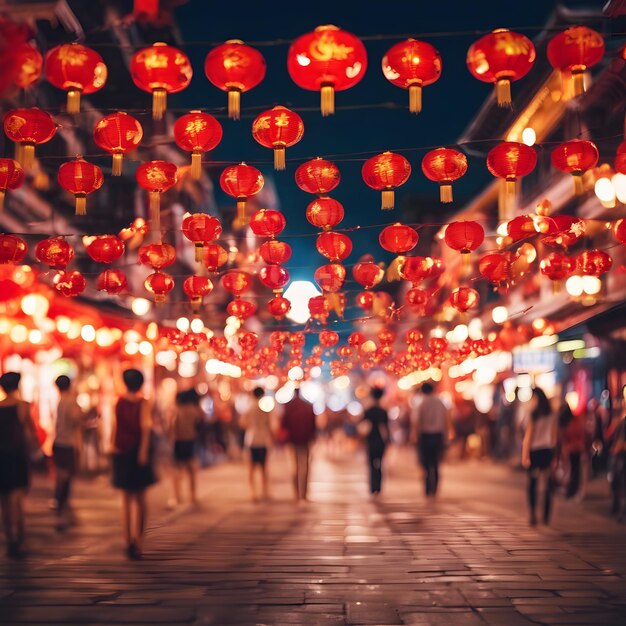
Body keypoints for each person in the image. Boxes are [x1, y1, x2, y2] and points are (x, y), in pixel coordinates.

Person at [110, 369, 155, 559]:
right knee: (140, 498)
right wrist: (144, 451)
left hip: (121, 450)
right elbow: (146, 428)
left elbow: (115, 425)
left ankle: (127, 539)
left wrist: (112, 444)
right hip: (136, 451)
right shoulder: (143, 403)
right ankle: (139, 541)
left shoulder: (118, 402)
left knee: (125, 499)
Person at [0, 372, 37, 557]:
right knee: (18, 500)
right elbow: (30, 432)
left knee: (4, 501)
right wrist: (36, 452)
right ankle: (20, 537)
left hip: (1, 458)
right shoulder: (22, 406)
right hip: (16, 456)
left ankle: (9, 538)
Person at [522, 387, 558, 526]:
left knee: (533, 483)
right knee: (548, 484)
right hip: (547, 450)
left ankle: (533, 514)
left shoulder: (534, 414)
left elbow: (528, 437)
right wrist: (555, 454)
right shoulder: (551, 413)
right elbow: (554, 436)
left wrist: (525, 456)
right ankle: (546, 515)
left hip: (535, 451)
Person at [52, 375, 82, 526]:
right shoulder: (70, 401)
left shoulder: (60, 401)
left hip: (58, 442)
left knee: (61, 473)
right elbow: (76, 419)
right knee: (66, 474)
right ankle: (61, 499)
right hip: (68, 443)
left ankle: (59, 499)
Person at [412, 382, 449, 497]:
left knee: (426, 463)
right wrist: (447, 435)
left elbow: (417, 421)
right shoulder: (440, 402)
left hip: (425, 435)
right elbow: (446, 418)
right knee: (436, 462)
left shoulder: (420, 403)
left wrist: (415, 435)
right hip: (438, 434)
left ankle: (428, 488)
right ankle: (435, 488)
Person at [281, 387, 316, 501]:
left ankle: (296, 493)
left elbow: (284, 423)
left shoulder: (288, 406)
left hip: (293, 439)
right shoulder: (308, 406)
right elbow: (313, 424)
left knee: (295, 467)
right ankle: (304, 493)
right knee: (305, 467)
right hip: (305, 439)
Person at [170, 388, 203, 506]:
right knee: (191, 469)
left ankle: (177, 496)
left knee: (177, 470)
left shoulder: (177, 411)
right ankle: (192, 495)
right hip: (191, 441)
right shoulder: (194, 410)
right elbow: (199, 424)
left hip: (179, 441)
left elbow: (172, 426)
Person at [241, 387, 273, 501]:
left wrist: (250, 426)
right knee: (263, 467)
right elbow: (269, 423)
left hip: (251, 439)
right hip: (263, 439)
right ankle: (265, 491)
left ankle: (253, 493)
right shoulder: (265, 407)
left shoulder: (250, 407)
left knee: (251, 467)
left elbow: (242, 421)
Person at [360, 387, 389, 495]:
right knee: (380, 463)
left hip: (371, 440)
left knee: (371, 464)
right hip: (381, 440)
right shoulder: (384, 412)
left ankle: (373, 486)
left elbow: (362, 426)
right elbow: (387, 428)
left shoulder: (368, 411)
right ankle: (379, 487)